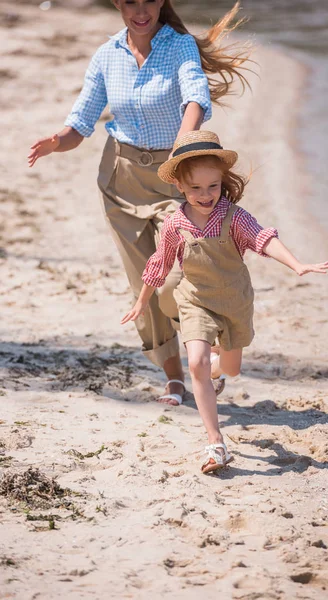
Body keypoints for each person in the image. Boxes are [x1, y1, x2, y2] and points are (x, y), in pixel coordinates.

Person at [27, 0, 252, 407]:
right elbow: (82, 119)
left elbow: (195, 97)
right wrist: (57, 142)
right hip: (121, 178)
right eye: (130, 1)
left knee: (183, 272)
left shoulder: (179, 46)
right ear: (117, 3)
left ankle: (206, 350)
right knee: (141, 281)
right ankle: (175, 379)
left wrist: (183, 150)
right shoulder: (107, 55)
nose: (140, 10)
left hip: (176, 176)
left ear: (161, 1)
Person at [121, 130, 328, 473]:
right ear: (180, 187)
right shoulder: (175, 223)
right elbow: (159, 263)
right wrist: (142, 301)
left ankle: (220, 367)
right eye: (196, 189)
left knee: (230, 368)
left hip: (234, 302)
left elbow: (264, 239)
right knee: (196, 364)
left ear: (222, 182)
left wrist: (297, 264)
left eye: (213, 187)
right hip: (195, 301)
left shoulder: (235, 216)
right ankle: (215, 443)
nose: (205, 195)